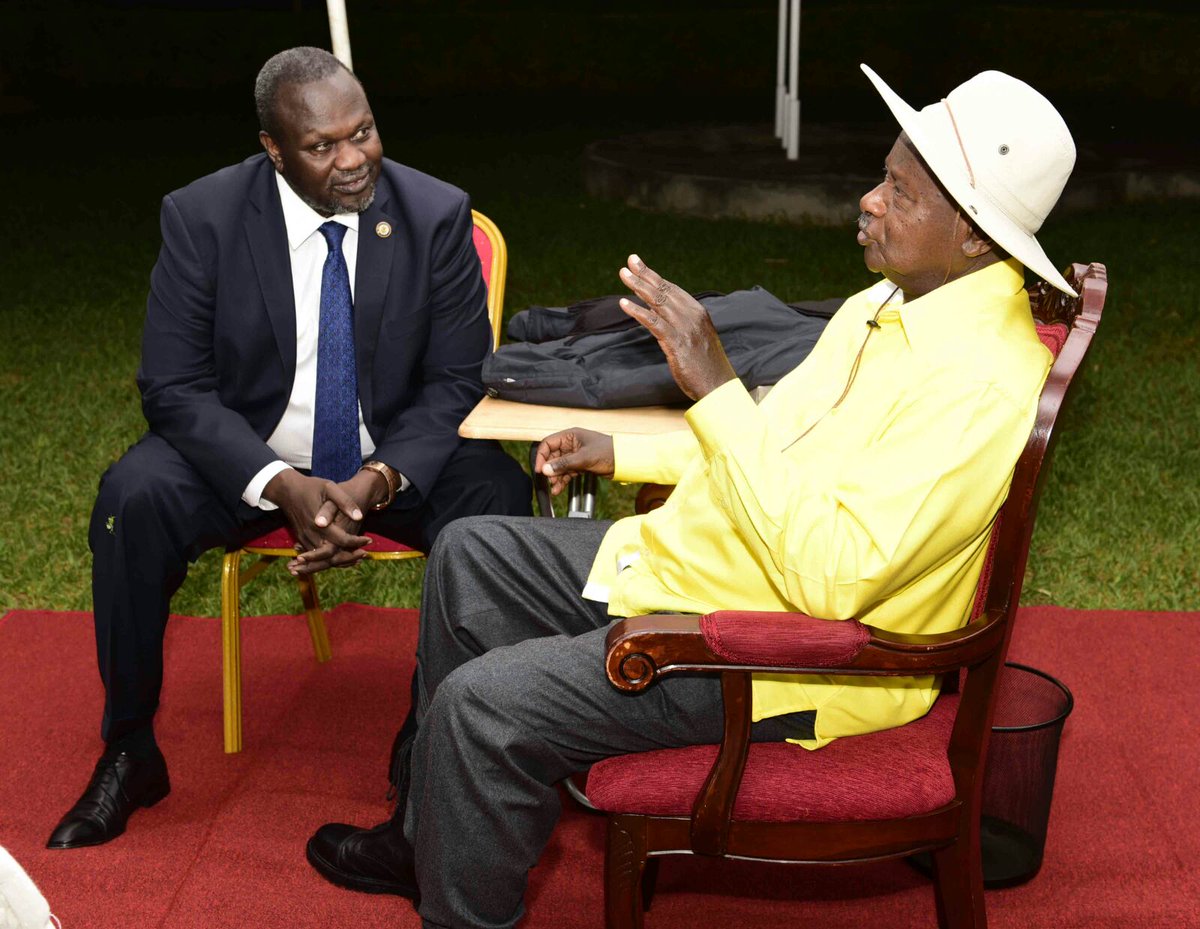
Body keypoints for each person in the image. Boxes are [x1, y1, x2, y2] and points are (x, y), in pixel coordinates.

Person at [305, 65, 1076, 927]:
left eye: (899, 191)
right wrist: (623, 449)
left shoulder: (982, 382)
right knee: (469, 554)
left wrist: (713, 385)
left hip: (782, 655)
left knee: (479, 708)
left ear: (972, 233)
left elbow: (836, 580)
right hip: (724, 571)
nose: (868, 199)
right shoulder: (892, 302)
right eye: (882, 176)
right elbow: (779, 437)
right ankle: (429, 834)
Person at [47, 47, 531, 851]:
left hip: (388, 458)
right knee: (133, 497)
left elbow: (456, 381)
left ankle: (431, 739)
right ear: (273, 148)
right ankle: (129, 748)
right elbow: (173, 385)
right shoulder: (203, 216)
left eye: (362, 131)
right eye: (322, 145)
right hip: (250, 458)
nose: (353, 159)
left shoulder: (435, 214)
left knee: (497, 496)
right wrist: (279, 483)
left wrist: (375, 480)